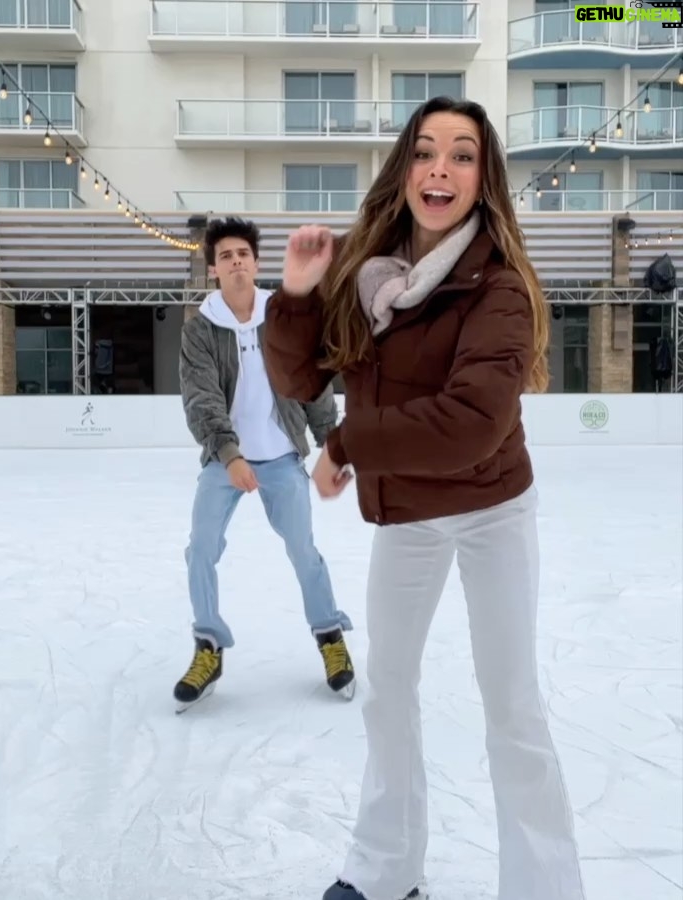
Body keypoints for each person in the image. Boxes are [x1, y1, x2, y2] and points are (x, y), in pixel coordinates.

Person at [262, 97, 587, 900]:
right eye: (426, 151)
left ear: (483, 180)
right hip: (408, 515)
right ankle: (384, 871)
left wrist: (347, 446)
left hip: (491, 510)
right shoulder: (370, 273)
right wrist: (298, 297)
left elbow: (472, 425)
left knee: (511, 703)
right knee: (390, 690)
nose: (441, 167)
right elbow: (303, 380)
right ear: (405, 170)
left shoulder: (499, 291)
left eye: (463, 153)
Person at [174, 216, 355, 711]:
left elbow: (311, 381)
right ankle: (208, 645)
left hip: (280, 457)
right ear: (213, 269)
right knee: (201, 550)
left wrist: (329, 443)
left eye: (244, 255)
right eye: (226, 256)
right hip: (223, 460)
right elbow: (201, 399)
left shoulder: (282, 315)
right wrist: (229, 455)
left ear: (256, 264)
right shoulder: (200, 330)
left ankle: (329, 636)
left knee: (304, 551)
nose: (236, 263)